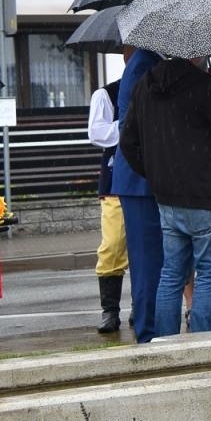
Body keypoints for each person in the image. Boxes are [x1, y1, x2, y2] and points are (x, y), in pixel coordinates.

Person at [120, 57, 211, 336]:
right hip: (207, 195)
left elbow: (128, 142)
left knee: (171, 275)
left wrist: (155, 175)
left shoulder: (146, 84)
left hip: (168, 198)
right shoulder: (205, 86)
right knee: (209, 273)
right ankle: (200, 347)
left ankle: (166, 344)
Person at [109, 45, 163, 342]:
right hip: (141, 181)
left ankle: (153, 329)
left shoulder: (148, 60)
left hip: (142, 179)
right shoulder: (144, 63)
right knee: (148, 264)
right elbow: (140, 123)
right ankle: (149, 333)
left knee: (153, 262)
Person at [86, 60, 129, 335]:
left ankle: (143, 305)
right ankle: (110, 309)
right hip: (116, 179)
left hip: (152, 178)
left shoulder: (157, 87)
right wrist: (127, 126)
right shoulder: (106, 94)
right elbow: (96, 133)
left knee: (148, 246)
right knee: (113, 244)